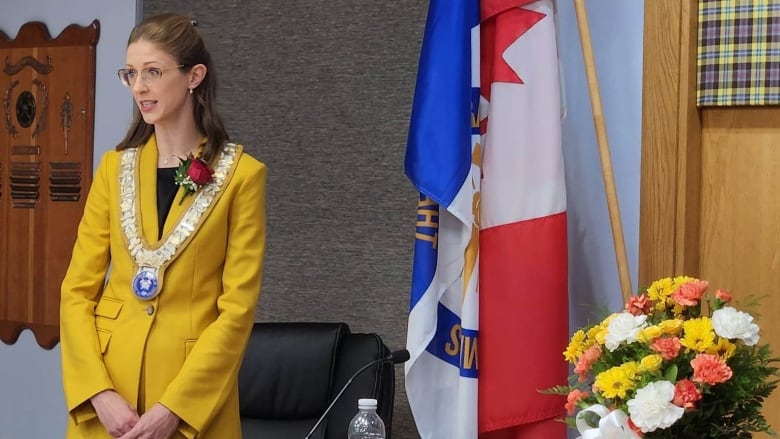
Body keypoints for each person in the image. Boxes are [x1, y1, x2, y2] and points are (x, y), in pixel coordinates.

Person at [59, 13, 266, 439]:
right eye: (131, 74)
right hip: (108, 404)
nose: (139, 87)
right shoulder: (114, 169)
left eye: (153, 72)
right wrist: (98, 392)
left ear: (194, 76)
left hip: (191, 406)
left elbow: (237, 310)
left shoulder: (242, 176)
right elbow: (76, 291)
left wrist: (175, 408)